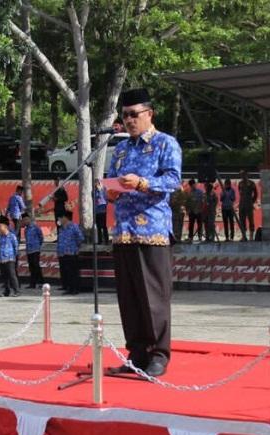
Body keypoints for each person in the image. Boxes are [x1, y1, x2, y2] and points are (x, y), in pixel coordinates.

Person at [104, 87, 182, 377]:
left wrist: (142, 183)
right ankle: (136, 354)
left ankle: (158, 355)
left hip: (153, 230)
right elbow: (112, 180)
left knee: (154, 298)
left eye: (134, 114)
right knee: (130, 297)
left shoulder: (165, 143)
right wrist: (109, 193)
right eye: (124, 115)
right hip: (123, 230)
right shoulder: (122, 148)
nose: (129, 120)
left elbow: (174, 180)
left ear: (149, 114)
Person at [56, 211, 83, 295]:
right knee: (66, 272)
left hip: (72, 253)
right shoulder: (61, 228)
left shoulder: (74, 227)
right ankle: (69, 288)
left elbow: (80, 238)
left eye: (61, 218)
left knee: (73, 272)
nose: (59, 219)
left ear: (65, 218)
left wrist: (76, 247)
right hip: (62, 253)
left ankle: (75, 289)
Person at [0, 216, 20, 297]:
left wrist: (14, 257)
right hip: (1, 259)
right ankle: (6, 291)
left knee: (12, 275)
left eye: (0, 226)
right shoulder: (0, 237)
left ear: (5, 227)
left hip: (10, 259)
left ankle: (16, 291)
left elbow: (16, 247)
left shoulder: (12, 236)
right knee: (4, 276)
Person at [22, 212, 44, 288]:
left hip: (35, 249)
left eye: (26, 219)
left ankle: (41, 282)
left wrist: (38, 245)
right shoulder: (26, 230)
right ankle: (33, 284)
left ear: (29, 219)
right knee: (31, 267)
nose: (25, 221)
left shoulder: (35, 227)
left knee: (36, 266)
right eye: (23, 220)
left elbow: (41, 237)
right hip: (29, 250)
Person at [237, 169, 259, 241]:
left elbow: (255, 194)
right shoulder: (240, 183)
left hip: (249, 204)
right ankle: (244, 236)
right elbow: (239, 192)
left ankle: (251, 236)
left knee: (250, 220)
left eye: (243, 175)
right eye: (241, 175)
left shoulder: (251, 183)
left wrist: (252, 201)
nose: (242, 176)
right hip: (242, 204)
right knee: (242, 220)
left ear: (246, 175)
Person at [93, 179, 109, 244]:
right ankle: (100, 241)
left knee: (104, 226)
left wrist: (100, 191)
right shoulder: (93, 191)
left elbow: (106, 199)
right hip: (97, 211)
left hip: (103, 210)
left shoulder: (103, 190)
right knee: (98, 226)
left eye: (97, 183)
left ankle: (106, 241)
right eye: (95, 184)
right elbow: (94, 198)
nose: (96, 185)